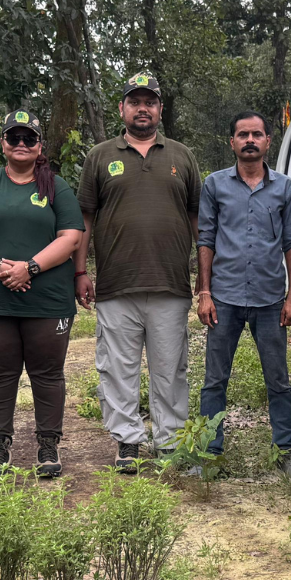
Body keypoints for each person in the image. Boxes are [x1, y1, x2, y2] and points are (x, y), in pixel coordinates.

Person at [76, 72, 202, 471]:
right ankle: (127, 442)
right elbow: (85, 219)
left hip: (171, 283)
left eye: (150, 102)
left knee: (170, 370)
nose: (142, 108)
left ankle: (168, 442)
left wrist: (205, 276)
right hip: (116, 285)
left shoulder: (182, 156)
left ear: (160, 109)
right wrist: (80, 271)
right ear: (122, 109)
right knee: (118, 370)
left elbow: (199, 219)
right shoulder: (99, 156)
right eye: (135, 101)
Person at [0, 112, 85, 479]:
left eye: (29, 139)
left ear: (39, 145)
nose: (21, 144)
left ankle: (48, 444)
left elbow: (71, 236)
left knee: (47, 373)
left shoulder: (55, 187)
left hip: (47, 299)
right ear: (3, 144)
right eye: (14, 138)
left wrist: (28, 268)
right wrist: (0, 269)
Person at [195, 111, 291, 480]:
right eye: (242, 134)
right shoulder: (214, 185)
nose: (250, 140)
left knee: (278, 380)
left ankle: (286, 455)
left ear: (268, 141)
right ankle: (210, 456)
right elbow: (206, 238)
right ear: (232, 142)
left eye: (257, 134)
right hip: (224, 297)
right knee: (215, 380)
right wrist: (205, 291)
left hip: (270, 297)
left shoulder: (285, 187)